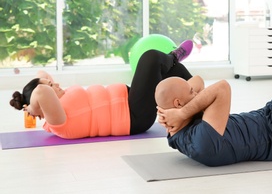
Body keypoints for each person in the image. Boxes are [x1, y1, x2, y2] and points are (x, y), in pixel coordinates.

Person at [9, 40, 198, 139]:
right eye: (51, 85)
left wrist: (33, 92)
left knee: (170, 71)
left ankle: (195, 91)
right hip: (134, 117)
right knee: (150, 58)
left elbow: (42, 77)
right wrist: (30, 108)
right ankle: (174, 55)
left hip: (132, 100)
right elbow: (42, 92)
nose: (55, 84)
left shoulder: (60, 99)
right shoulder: (57, 121)